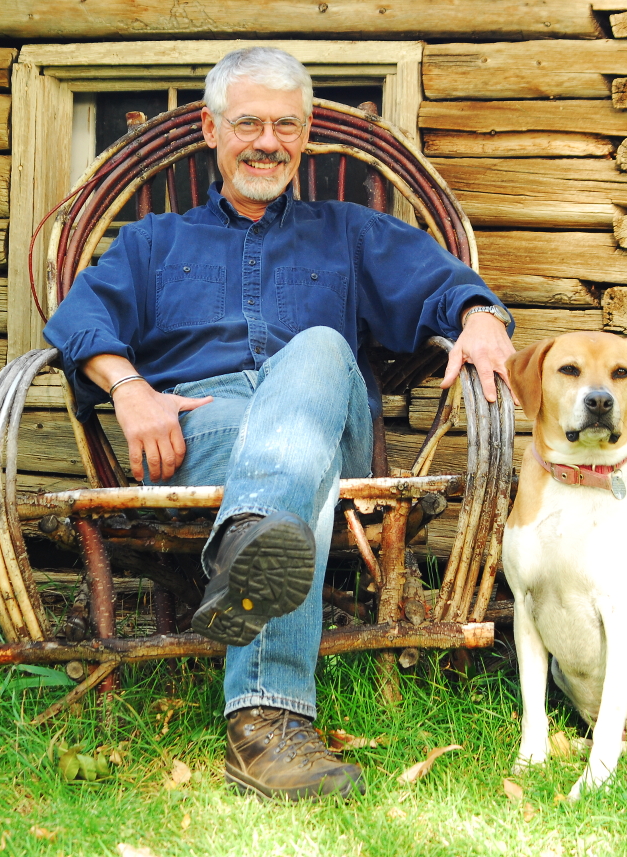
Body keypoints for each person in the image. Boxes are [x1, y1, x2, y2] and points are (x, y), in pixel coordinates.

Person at [43, 46, 515, 801]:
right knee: (298, 476)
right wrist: (128, 387)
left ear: (303, 136)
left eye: (285, 126)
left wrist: (482, 318)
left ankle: (250, 547)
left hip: (328, 414)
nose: (268, 141)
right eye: (249, 123)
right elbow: (78, 320)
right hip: (202, 430)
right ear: (210, 128)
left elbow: (446, 287)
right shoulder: (153, 243)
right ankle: (267, 730)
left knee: (322, 349)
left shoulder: (351, 232)